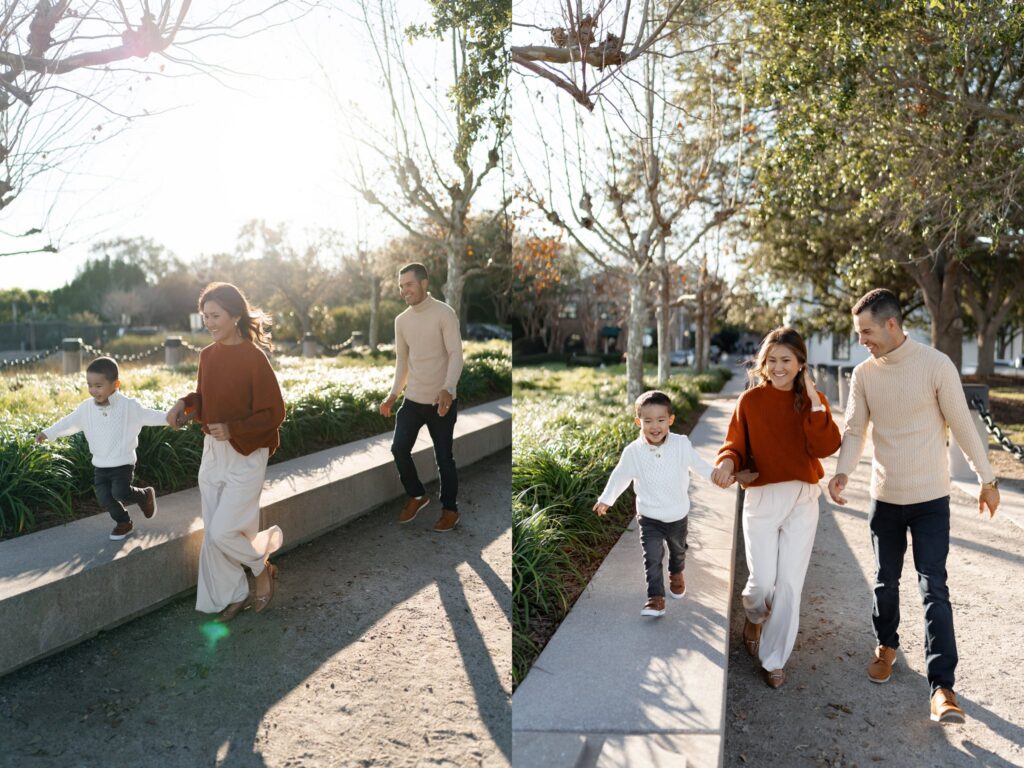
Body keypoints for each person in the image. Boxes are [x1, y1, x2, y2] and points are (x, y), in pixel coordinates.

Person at [827, 288, 1000, 723]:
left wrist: (987, 478)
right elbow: (854, 430)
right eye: (857, 333)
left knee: (933, 587)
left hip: (930, 501)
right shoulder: (864, 374)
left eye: (866, 331)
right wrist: (843, 471)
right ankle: (886, 645)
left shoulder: (935, 365)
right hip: (884, 498)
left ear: (891, 324)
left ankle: (942, 687)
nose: (861, 339)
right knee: (885, 581)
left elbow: (962, 424)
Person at [713, 327, 841, 688]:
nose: (778, 367)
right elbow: (733, 445)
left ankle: (774, 659)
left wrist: (815, 403)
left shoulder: (814, 402)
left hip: (803, 497)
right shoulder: (750, 402)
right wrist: (726, 465)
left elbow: (826, 446)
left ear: (801, 363)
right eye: (771, 361)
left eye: (786, 360)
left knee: (788, 585)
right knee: (762, 583)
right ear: (763, 364)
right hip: (762, 497)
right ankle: (754, 616)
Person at [166, 283, 286, 622]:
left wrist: (233, 428)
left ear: (235, 316)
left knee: (223, 532)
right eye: (205, 317)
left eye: (215, 316)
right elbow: (205, 398)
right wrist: (184, 404)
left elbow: (275, 412)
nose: (209, 323)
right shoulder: (207, 356)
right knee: (217, 530)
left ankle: (260, 568)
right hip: (213, 454)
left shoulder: (254, 358)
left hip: (247, 454)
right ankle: (234, 595)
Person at [593, 390, 716, 617]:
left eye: (661, 420)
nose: (655, 426)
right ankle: (655, 598)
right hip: (649, 516)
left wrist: (716, 476)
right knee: (652, 556)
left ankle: (677, 574)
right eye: (647, 421)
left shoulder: (680, 444)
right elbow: (620, 476)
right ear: (638, 422)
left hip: (677, 514)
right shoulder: (633, 452)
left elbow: (699, 465)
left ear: (670, 420)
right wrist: (606, 499)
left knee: (678, 550)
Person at [36, 356, 164, 540]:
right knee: (105, 497)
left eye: (98, 385)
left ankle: (144, 496)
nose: (93, 390)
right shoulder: (86, 409)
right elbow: (68, 422)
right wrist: (48, 433)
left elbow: (152, 416)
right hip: (100, 466)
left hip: (122, 463)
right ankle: (123, 522)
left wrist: (173, 418)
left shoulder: (129, 407)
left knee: (120, 492)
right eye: (90, 385)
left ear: (115, 384)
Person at [379, 263, 464, 532]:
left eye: (409, 285)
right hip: (413, 400)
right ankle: (417, 494)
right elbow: (402, 361)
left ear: (424, 284)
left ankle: (450, 509)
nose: (404, 290)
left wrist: (448, 388)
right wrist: (393, 394)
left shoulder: (444, 313)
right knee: (398, 448)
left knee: (444, 458)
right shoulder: (401, 321)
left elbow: (455, 354)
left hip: (441, 401)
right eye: (401, 286)